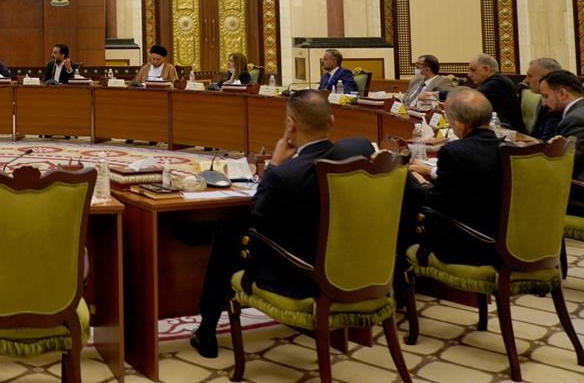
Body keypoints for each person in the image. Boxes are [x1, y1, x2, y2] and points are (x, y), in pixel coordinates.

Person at [189, 89, 374, 358]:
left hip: (300, 278)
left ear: (291, 124)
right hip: (348, 271)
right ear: (332, 121)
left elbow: (257, 216)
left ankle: (206, 331)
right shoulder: (353, 160)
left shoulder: (285, 175)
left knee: (228, 237)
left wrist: (274, 165)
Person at [408, 88, 502, 265]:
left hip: (468, 244)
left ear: (459, 125)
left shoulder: (454, 151)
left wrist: (420, 184)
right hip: (501, 238)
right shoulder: (507, 148)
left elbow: (436, 205)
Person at [539, 69, 584, 216]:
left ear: (563, 94)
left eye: (546, 96)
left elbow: (567, 164)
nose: (543, 103)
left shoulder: (575, 120)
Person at [468, 53, 525, 134]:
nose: (469, 75)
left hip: (510, 133)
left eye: (473, 70)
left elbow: (469, 97)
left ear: (486, 69)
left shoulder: (498, 82)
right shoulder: (494, 81)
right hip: (499, 130)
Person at [524, 57, 564, 140]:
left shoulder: (558, 102)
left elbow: (547, 140)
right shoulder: (543, 98)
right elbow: (536, 135)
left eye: (530, 76)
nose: (526, 80)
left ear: (546, 77)